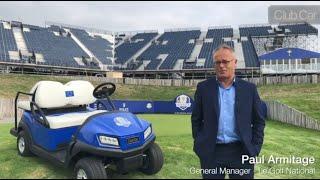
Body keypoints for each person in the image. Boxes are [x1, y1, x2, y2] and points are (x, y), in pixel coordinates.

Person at [191, 44, 266, 179]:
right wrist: (200, 143)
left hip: (242, 152)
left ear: (235, 63)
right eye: (217, 62)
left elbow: (259, 121)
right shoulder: (203, 88)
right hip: (211, 153)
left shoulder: (249, 89)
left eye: (225, 61)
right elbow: (196, 119)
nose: (221, 66)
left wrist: (254, 148)